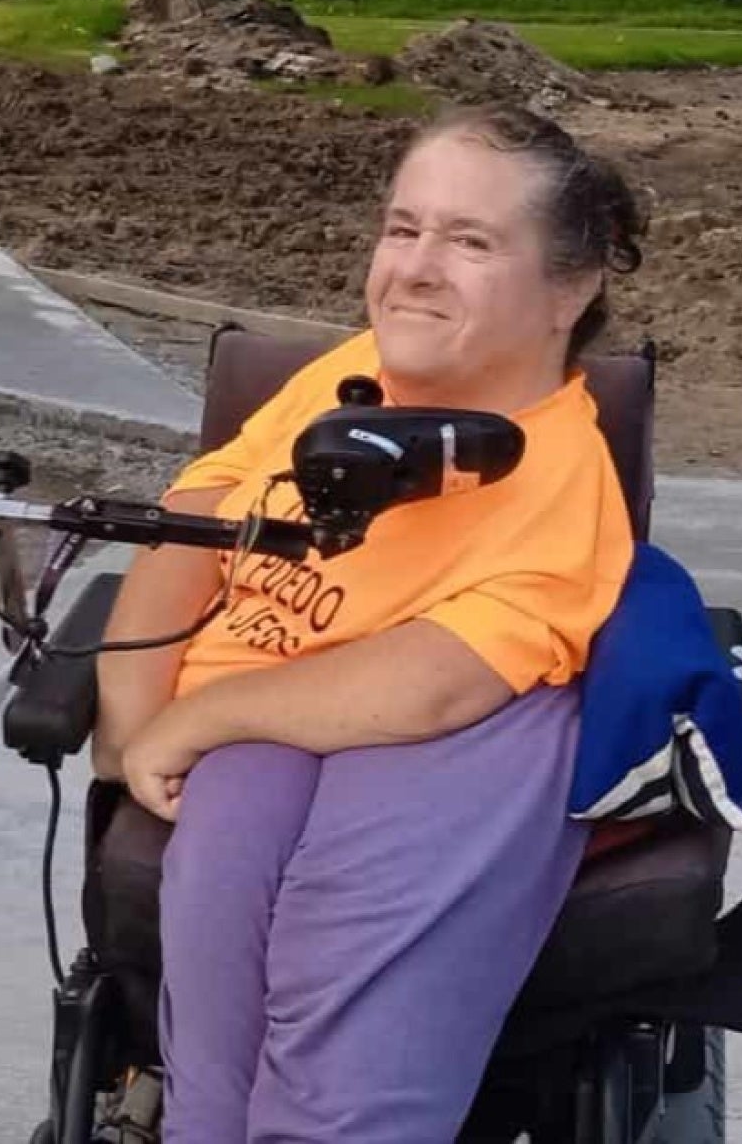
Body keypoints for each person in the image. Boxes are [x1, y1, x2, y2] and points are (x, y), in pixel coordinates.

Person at [92, 103, 646, 1143]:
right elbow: (200, 515)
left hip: (425, 747)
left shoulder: (562, 484)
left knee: (335, 1080)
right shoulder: (345, 377)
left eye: (472, 241)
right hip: (252, 748)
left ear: (569, 289)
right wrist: (131, 706)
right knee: (211, 1091)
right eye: (403, 228)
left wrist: (196, 721)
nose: (418, 268)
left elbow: (436, 681)